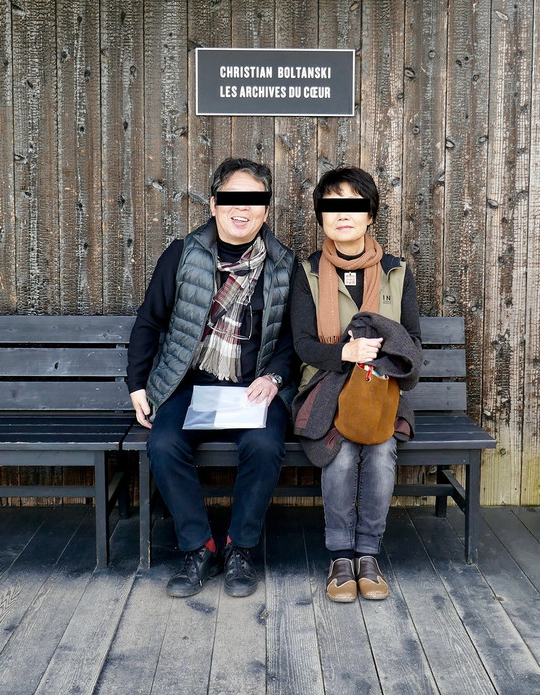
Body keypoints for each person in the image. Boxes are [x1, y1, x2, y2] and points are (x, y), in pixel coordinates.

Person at [127, 158, 295, 598]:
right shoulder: (183, 254)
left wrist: (275, 378)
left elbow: (292, 338)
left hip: (253, 385)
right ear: (215, 203)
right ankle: (198, 548)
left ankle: (240, 549)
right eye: (233, 198)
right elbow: (149, 321)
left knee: (264, 446)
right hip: (189, 384)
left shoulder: (283, 265)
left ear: (266, 209)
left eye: (253, 200)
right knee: (163, 444)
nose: (242, 208)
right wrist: (137, 385)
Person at [290, 167, 421, 603]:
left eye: (353, 204)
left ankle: (368, 555)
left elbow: (413, 341)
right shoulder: (308, 272)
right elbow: (302, 344)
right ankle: (340, 558)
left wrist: (379, 359)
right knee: (341, 452)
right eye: (333, 206)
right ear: (321, 217)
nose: (343, 214)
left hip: (381, 388)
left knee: (381, 452)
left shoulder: (397, 272)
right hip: (325, 387)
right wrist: (344, 353)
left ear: (370, 215)